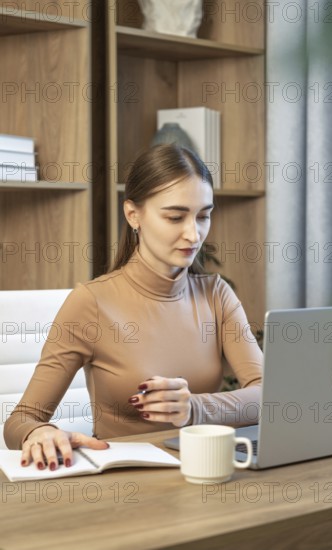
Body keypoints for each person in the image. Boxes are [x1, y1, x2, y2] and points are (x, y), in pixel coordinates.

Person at [4, 144, 263, 470]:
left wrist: (193, 409)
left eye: (203, 216)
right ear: (133, 215)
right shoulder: (91, 302)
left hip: (203, 473)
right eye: (175, 216)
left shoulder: (216, 294)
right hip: (126, 488)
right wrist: (39, 433)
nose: (193, 233)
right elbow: (20, 421)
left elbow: (269, 395)